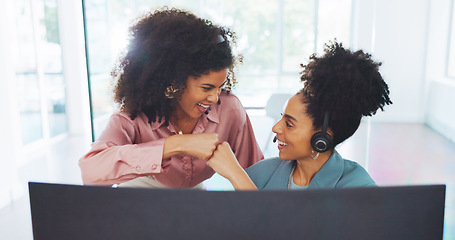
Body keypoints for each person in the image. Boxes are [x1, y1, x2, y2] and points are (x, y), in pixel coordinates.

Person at [79, 7, 263, 188]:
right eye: (206, 88)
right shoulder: (133, 115)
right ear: (174, 81)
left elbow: (257, 173)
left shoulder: (229, 109)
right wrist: (176, 144)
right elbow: (90, 172)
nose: (214, 98)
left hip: (192, 194)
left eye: (220, 87)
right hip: (139, 189)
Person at [206, 40, 392, 190]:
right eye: (282, 118)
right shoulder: (261, 173)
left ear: (322, 138)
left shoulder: (358, 188)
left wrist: (236, 174)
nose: (275, 127)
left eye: (289, 124)